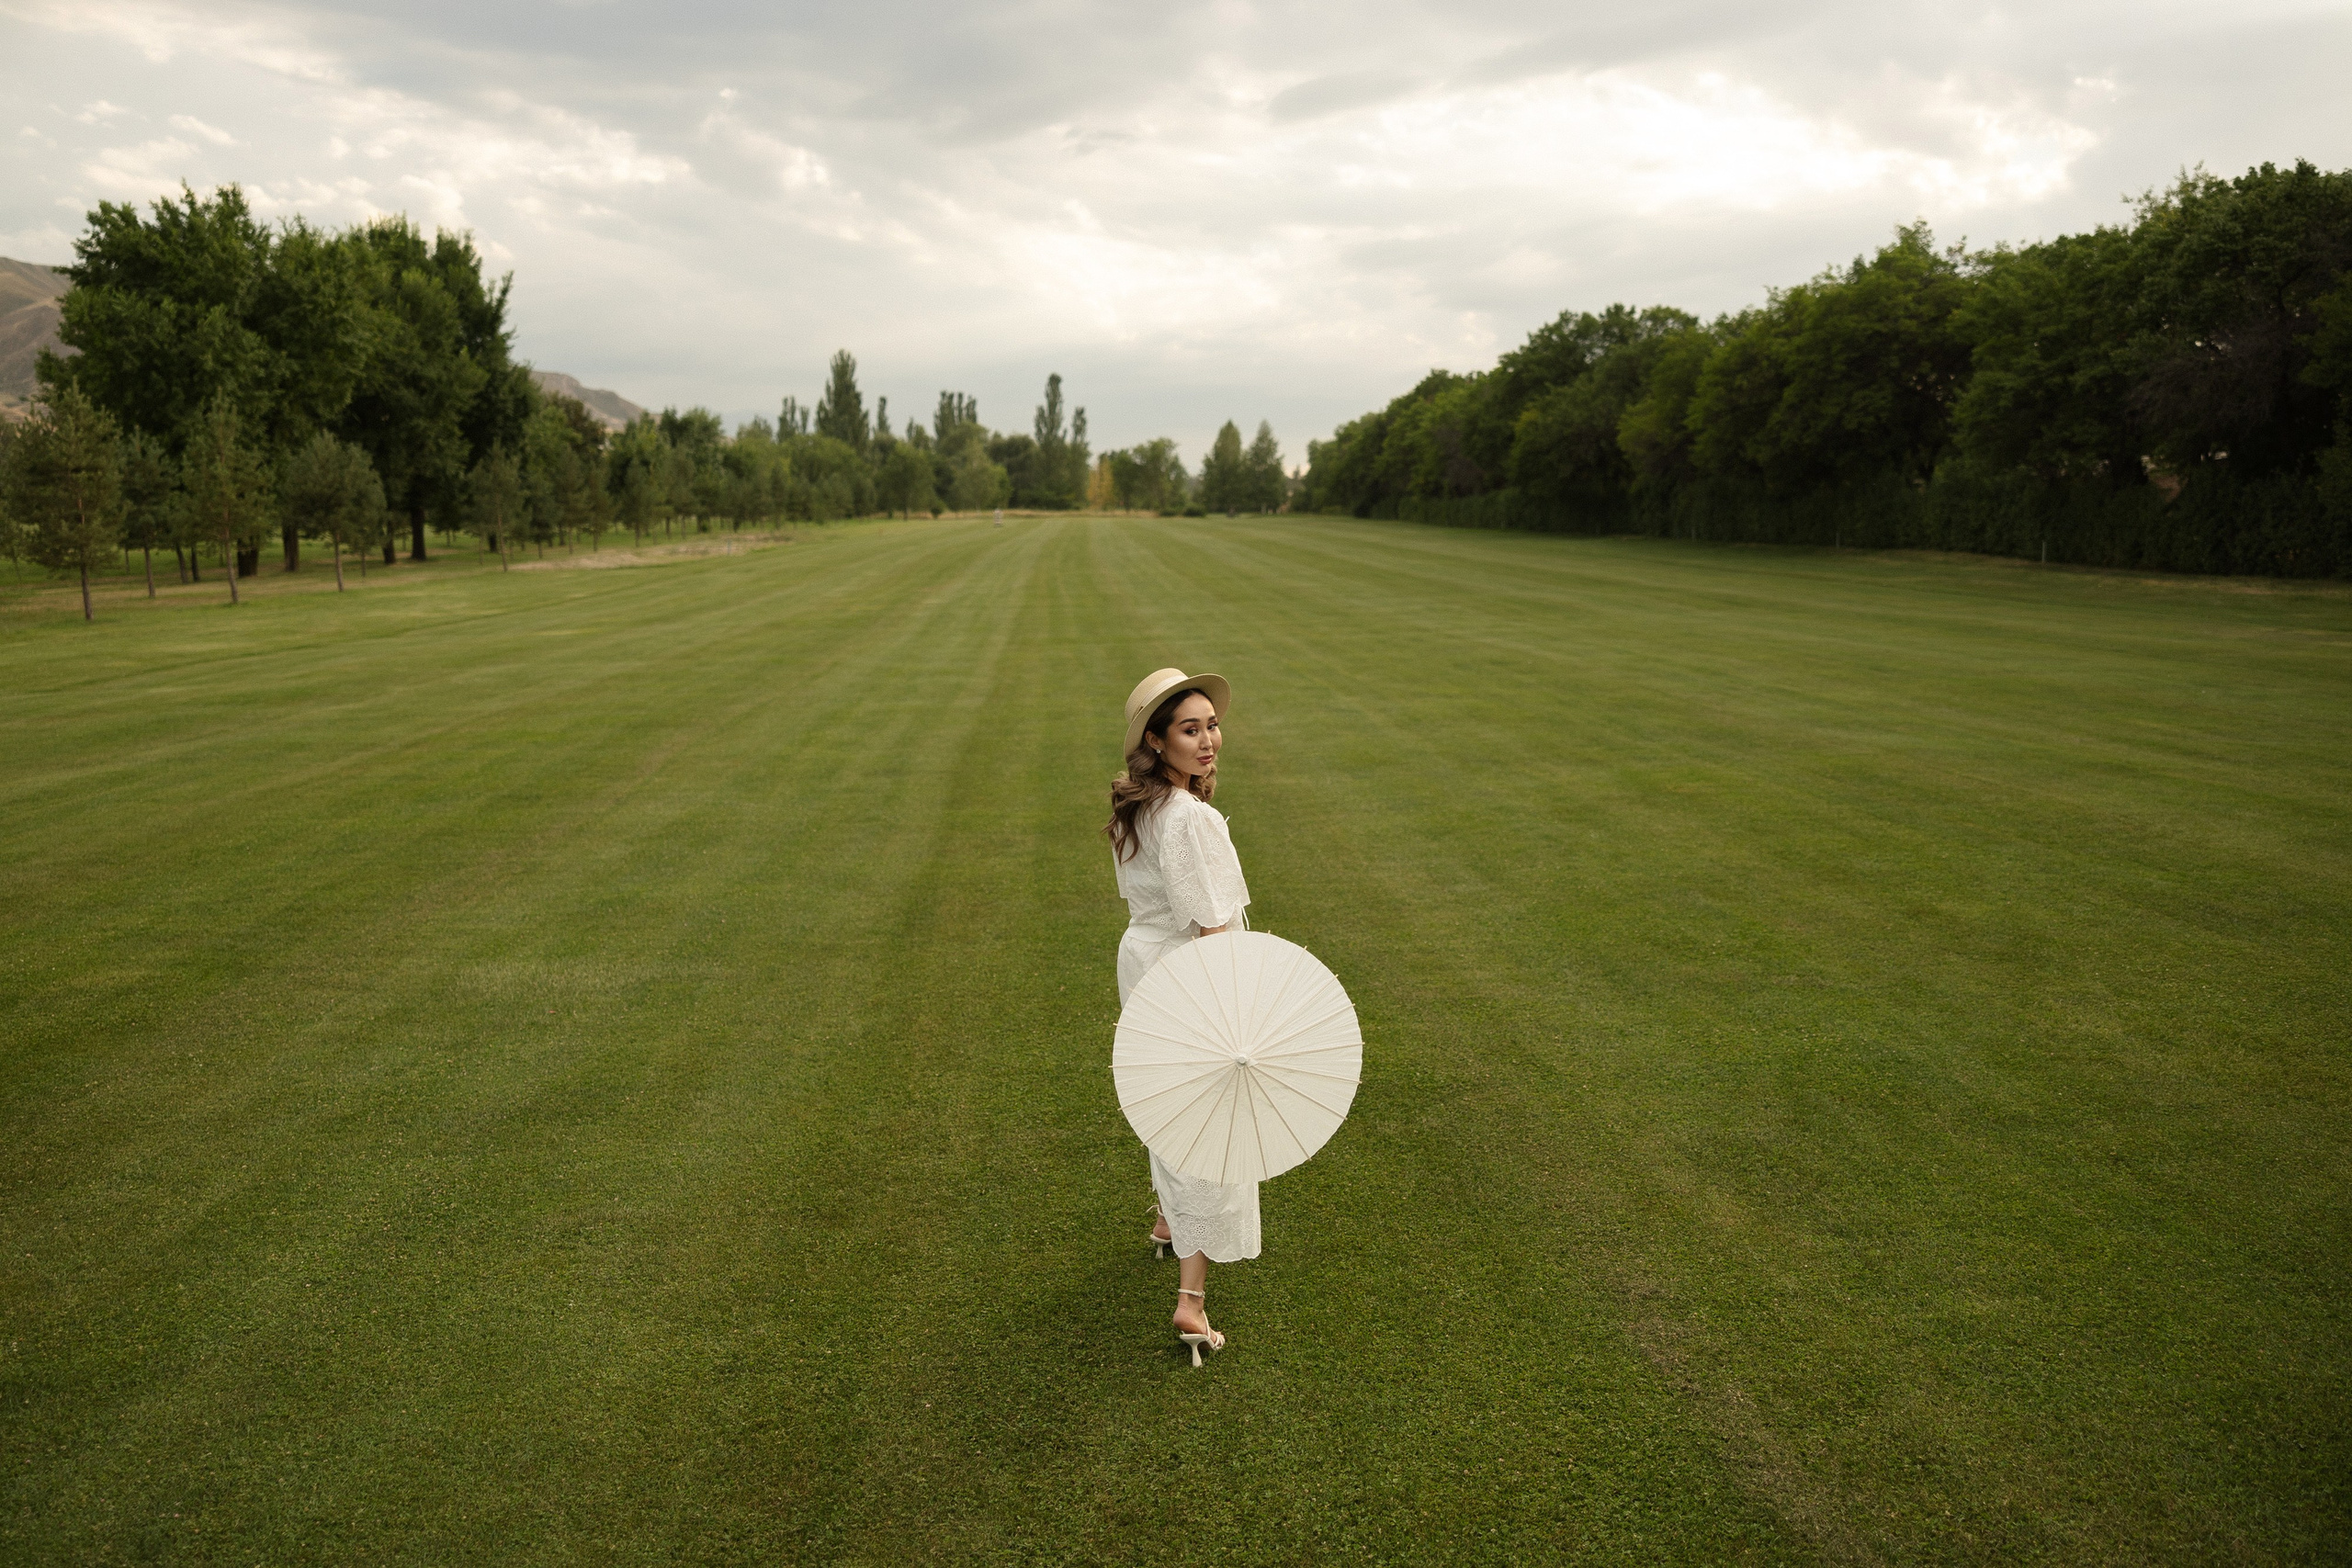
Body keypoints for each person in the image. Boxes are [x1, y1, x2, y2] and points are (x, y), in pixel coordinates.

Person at [1106, 666, 1254, 1363]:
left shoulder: (1141, 807)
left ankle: (1169, 1218)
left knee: (1169, 1103)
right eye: (1190, 730)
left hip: (1144, 964)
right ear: (1157, 741)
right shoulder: (1191, 817)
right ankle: (1191, 1302)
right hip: (1186, 973)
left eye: (1212, 726)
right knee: (1213, 1124)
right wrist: (1231, 1007)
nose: (1208, 740)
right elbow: (1209, 923)